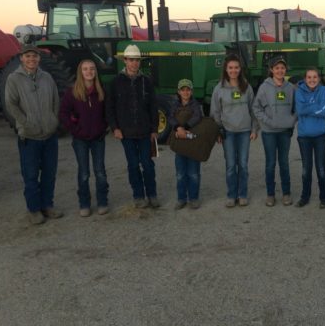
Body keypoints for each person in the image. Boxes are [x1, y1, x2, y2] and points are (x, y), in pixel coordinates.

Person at [5, 43, 63, 225]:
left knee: (49, 173)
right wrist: (25, 123)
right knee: (30, 175)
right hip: (29, 137)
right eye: (28, 56)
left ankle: (47, 205)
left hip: (49, 134)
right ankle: (34, 210)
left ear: (39, 58)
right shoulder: (14, 79)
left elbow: (56, 100)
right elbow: (11, 104)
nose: (32, 59)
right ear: (22, 58)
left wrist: (53, 120)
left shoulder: (47, 77)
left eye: (35, 56)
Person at [106, 44, 160, 209]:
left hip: (145, 132)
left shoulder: (146, 81)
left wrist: (154, 129)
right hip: (126, 133)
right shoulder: (115, 82)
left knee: (148, 164)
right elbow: (110, 107)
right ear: (125, 61)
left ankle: (152, 194)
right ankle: (138, 196)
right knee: (133, 165)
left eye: (137, 60)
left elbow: (153, 106)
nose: (134, 63)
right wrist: (115, 128)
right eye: (131, 60)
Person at [60, 60, 109, 217]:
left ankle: (102, 201)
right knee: (84, 173)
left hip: (98, 138)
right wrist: (75, 130)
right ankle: (84, 203)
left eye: (92, 69)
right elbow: (63, 114)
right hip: (80, 139)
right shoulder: (72, 92)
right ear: (80, 72)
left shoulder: (101, 91)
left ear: (95, 71)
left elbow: (108, 112)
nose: (89, 72)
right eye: (85, 69)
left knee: (100, 171)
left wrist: (103, 127)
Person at [210, 54, 258, 207]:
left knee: (243, 164)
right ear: (226, 69)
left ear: (240, 69)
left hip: (244, 131)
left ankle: (242, 194)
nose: (233, 70)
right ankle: (231, 195)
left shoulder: (247, 87)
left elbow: (253, 109)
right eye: (230, 67)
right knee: (231, 165)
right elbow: (215, 112)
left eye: (236, 67)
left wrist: (254, 128)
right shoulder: (219, 89)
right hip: (228, 132)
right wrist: (218, 131)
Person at [253, 56, 297, 207]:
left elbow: (297, 107)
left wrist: (292, 120)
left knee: (284, 163)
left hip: (285, 132)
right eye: (277, 68)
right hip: (269, 132)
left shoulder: (291, 88)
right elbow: (256, 108)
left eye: (282, 68)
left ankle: (286, 193)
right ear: (271, 70)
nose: (280, 70)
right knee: (270, 163)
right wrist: (268, 121)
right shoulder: (264, 88)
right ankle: (270, 194)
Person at [294, 68, 325, 208]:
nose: (312, 80)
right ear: (305, 79)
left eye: (315, 77)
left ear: (319, 78)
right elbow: (300, 110)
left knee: (321, 167)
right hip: (304, 136)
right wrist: (314, 106)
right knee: (306, 168)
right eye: (309, 77)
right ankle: (305, 196)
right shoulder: (299, 92)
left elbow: (324, 111)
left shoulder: (324, 91)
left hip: (320, 135)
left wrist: (308, 106)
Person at [168, 79, 203, 210]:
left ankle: (193, 198)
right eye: (183, 89)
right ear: (178, 91)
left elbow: (197, 117)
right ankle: (181, 198)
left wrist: (185, 127)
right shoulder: (174, 105)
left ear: (191, 91)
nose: (185, 92)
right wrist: (178, 128)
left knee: (193, 173)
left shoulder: (195, 105)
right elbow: (170, 117)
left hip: (192, 143)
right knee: (180, 173)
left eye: (188, 89)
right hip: (180, 144)